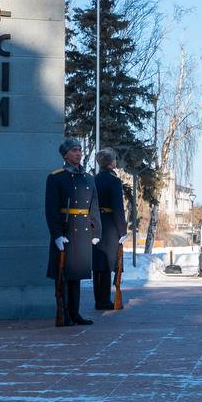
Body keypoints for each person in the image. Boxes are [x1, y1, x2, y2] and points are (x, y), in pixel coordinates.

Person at [44, 138, 100, 326]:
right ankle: (63, 313)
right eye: (74, 150)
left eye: (79, 150)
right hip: (66, 232)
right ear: (65, 154)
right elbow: (51, 209)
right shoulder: (56, 177)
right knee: (63, 276)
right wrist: (57, 234)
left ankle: (75, 313)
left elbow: (94, 207)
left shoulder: (88, 178)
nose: (78, 153)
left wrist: (96, 231)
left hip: (83, 232)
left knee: (76, 275)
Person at [92, 148, 129, 310]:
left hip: (96, 224)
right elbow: (118, 208)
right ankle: (105, 300)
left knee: (98, 265)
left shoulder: (93, 179)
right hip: (109, 226)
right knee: (107, 264)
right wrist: (122, 230)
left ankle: (98, 299)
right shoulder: (114, 181)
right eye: (114, 159)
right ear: (111, 163)